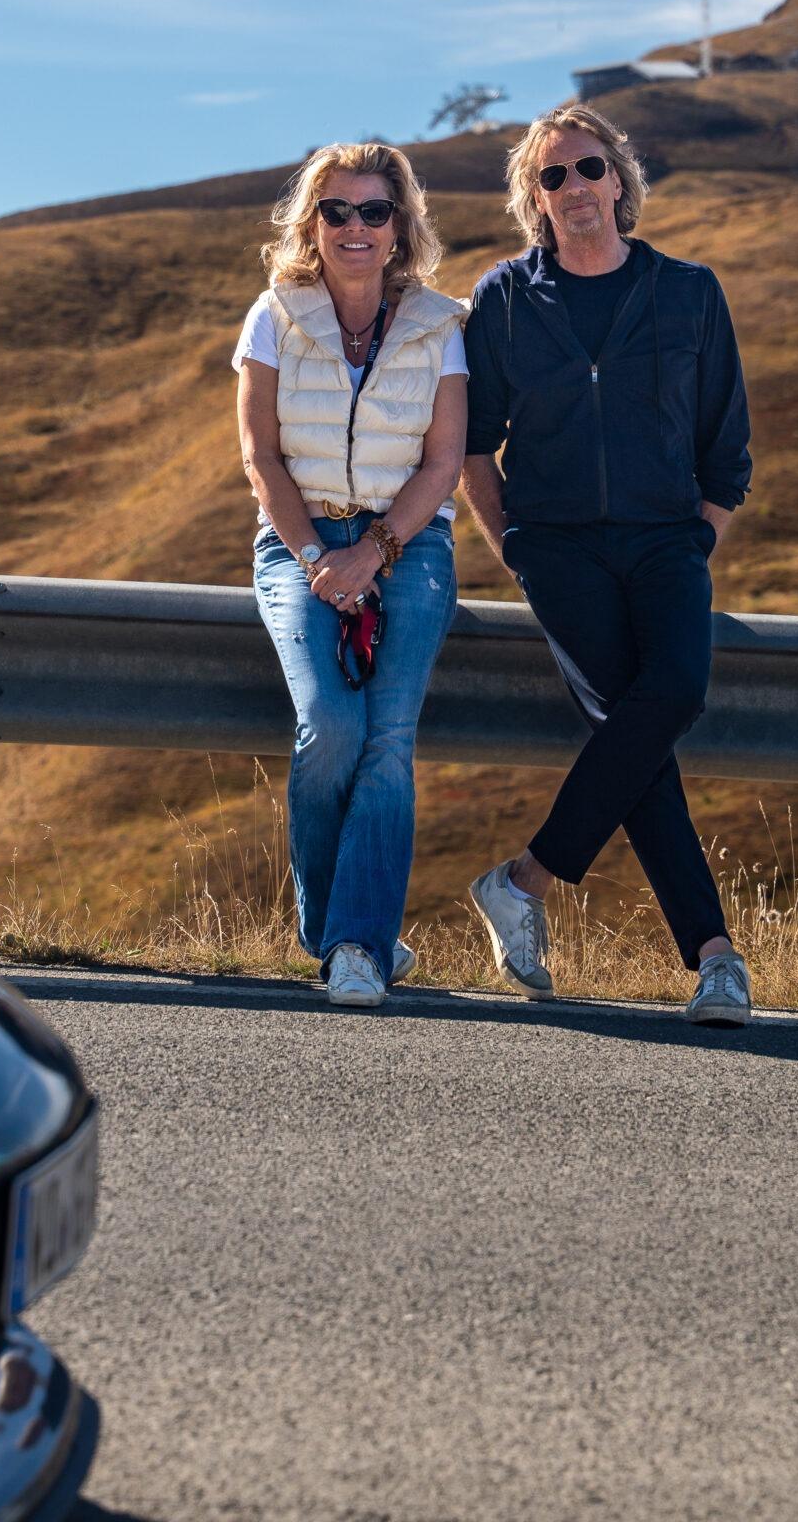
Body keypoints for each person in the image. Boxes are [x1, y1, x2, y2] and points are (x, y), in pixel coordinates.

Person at [459, 103, 755, 1028]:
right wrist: (512, 543)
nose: (573, 188)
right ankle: (714, 959)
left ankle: (523, 880)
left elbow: (725, 442)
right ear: (531, 198)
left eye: (587, 169)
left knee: (669, 695)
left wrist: (698, 532)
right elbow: (473, 448)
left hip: (667, 541)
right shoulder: (503, 299)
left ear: (618, 181)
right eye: (551, 177)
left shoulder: (689, 292)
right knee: (643, 740)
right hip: (558, 550)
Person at [235, 142, 466, 1009]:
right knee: (329, 724)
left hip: (410, 545)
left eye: (374, 211)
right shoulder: (273, 315)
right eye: (337, 211)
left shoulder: (444, 325)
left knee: (386, 741)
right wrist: (314, 559)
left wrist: (373, 552)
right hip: (297, 542)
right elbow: (259, 455)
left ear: (399, 224)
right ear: (313, 222)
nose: (355, 227)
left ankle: (356, 948)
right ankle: (333, 931)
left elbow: (443, 463)